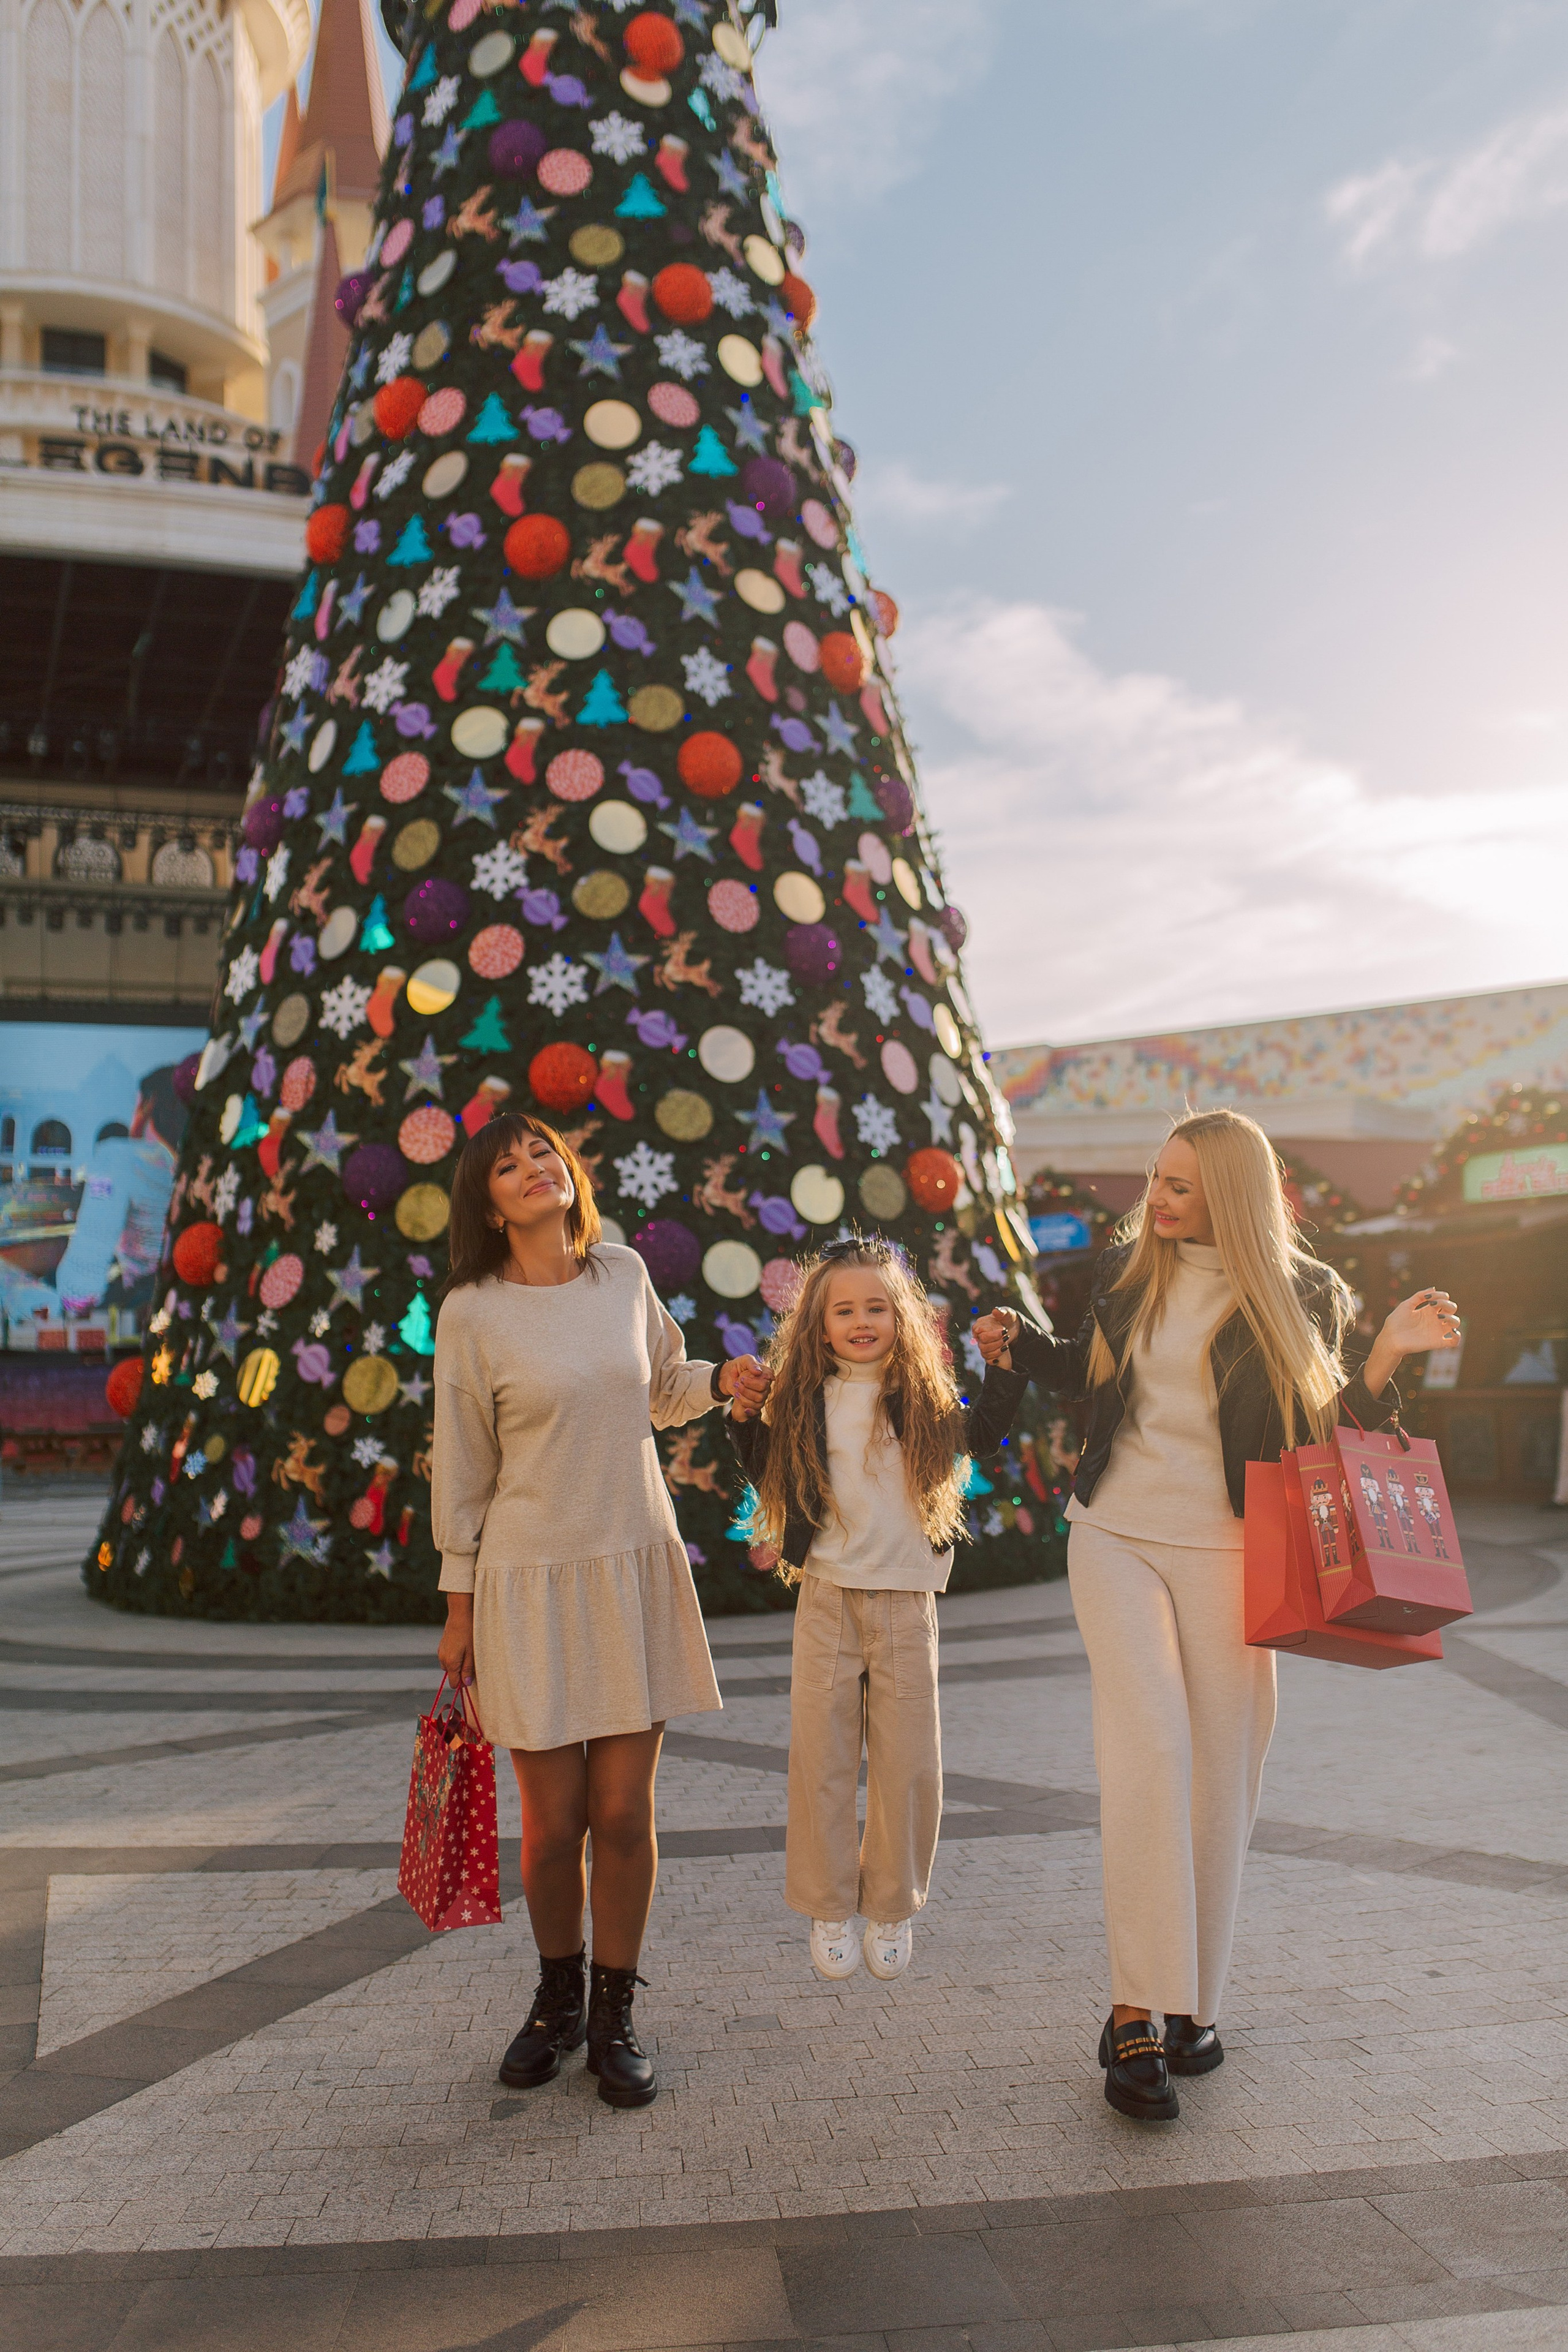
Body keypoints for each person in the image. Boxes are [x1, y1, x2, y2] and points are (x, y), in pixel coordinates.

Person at [974, 1109, 1460, 2124]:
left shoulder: (1300, 1291)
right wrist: (1021, 1346)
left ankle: (1192, 2003)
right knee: (1150, 1750)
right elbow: (1092, 1373)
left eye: (1180, 1185)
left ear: (1231, 1194)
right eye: (1156, 1177)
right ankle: (1135, 2013)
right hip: (1115, 1534)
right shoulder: (1127, 1274)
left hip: (1236, 1551)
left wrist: (1385, 1355)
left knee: (1225, 1766)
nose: (1155, 1198)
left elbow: (1319, 1427)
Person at [432, 1113, 769, 2109]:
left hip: (631, 1565)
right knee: (552, 1825)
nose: (533, 1168)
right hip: (527, 1580)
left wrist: (724, 1382)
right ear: (490, 1206)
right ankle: (557, 2001)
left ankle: (616, 2011)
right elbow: (464, 1464)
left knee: (622, 1813)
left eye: (543, 1152)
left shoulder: (622, 1273)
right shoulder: (472, 1312)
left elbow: (662, 1388)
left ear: (570, 1171)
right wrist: (458, 1610)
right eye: (508, 1166)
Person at [729, 1237, 1027, 1983]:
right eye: (843, 1311)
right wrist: (742, 1415)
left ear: (901, 1316)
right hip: (827, 1594)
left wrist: (1004, 1364)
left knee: (908, 1765)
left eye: (876, 1307)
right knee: (821, 1760)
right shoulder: (803, 1397)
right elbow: (765, 1468)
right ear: (818, 1324)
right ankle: (828, 1903)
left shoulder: (921, 1395)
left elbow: (984, 1435)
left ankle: (891, 1905)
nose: (861, 1321)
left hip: (904, 1598)